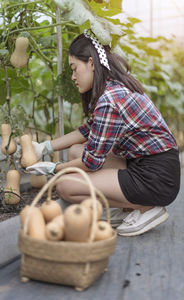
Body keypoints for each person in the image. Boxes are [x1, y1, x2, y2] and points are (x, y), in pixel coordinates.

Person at [26, 29, 180, 236]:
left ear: (91, 63)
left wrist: (55, 168)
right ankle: (126, 206)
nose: (72, 77)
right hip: (150, 165)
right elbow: (86, 131)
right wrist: (45, 147)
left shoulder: (109, 99)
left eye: (74, 68)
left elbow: (92, 163)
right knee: (75, 152)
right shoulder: (113, 88)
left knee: (65, 186)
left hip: (155, 178)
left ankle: (144, 207)